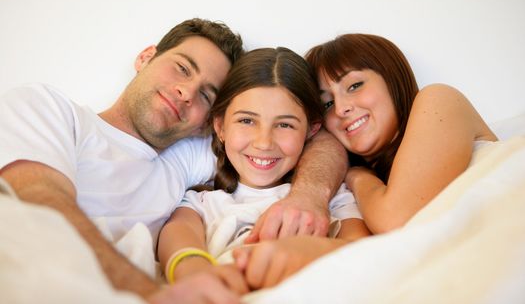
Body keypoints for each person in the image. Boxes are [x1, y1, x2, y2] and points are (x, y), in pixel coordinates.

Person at [0, 18, 348, 303]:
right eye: (182, 68)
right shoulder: (49, 109)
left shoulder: (187, 158)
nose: (186, 92)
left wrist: (309, 196)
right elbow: (41, 204)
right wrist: (151, 294)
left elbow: (319, 140)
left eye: (206, 94)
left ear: (208, 122)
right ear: (146, 57)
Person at [232, 33, 498, 290]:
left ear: (393, 78)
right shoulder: (360, 196)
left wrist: (357, 175)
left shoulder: (438, 99)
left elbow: (395, 219)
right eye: (327, 104)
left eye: (355, 85)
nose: (341, 108)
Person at [156, 47, 371, 294]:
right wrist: (195, 269)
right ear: (220, 127)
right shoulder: (202, 202)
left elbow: (363, 249)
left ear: (311, 130)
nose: (264, 142)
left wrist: (311, 251)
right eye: (247, 121)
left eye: (284, 124)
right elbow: (178, 233)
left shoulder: (331, 197)